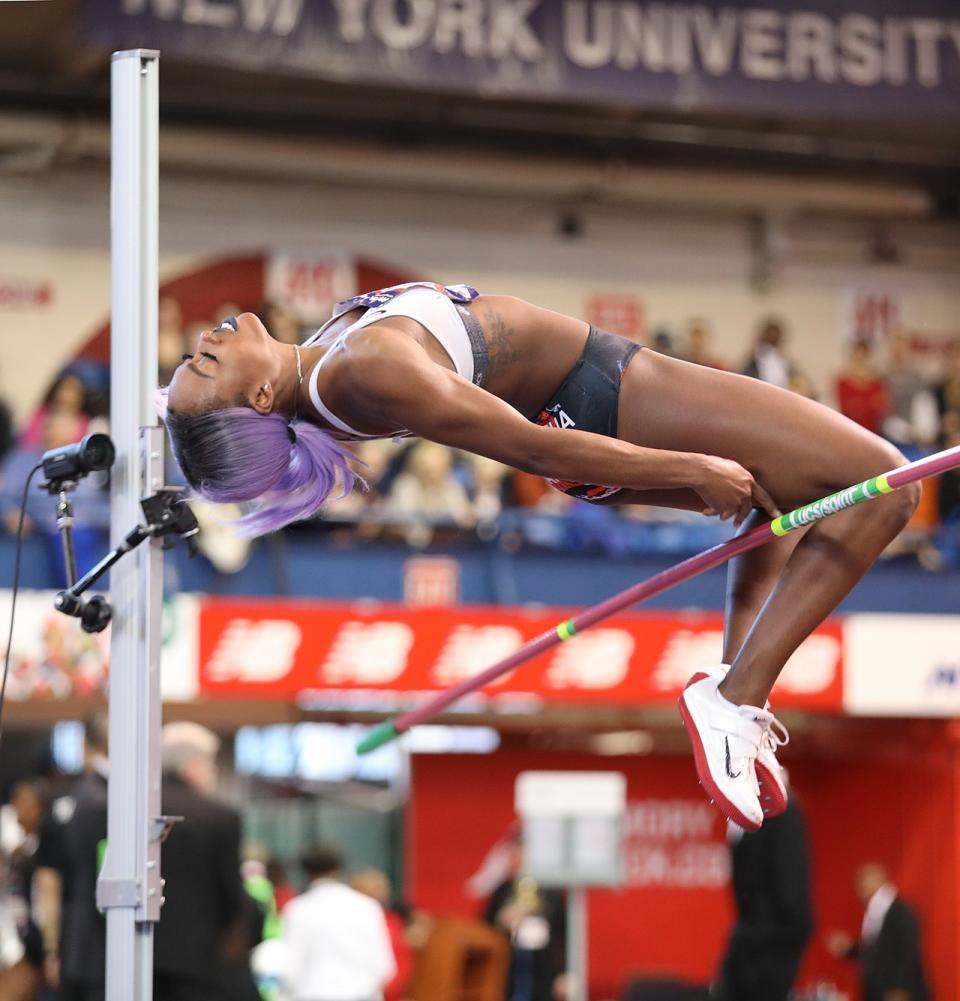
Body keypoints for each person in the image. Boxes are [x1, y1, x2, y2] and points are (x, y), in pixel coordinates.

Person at [159, 282, 919, 830]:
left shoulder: (325, 363)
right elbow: (525, 446)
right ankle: (732, 699)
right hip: (603, 401)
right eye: (203, 364)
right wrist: (688, 466)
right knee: (886, 488)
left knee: (782, 501)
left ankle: (734, 700)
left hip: (594, 399)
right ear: (258, 399)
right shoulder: (362, 369)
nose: (206, 341)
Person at [154, 721, 252, 1001]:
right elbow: (230, 891)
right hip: (198, 959)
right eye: (210, 763)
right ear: (191, 764)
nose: (213, 772)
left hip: (139, 953)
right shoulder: (219, 817)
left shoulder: (135, 811)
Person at [33, 710, 110, 1001]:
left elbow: (48, 883)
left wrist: (51, 949)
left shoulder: (62, 803)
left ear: (84, 746)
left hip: (74, 946)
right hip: (126, 944)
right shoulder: (140, 802)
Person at [713, 791, 813, 1001]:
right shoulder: (747, 812)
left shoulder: (781, 813)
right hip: (755, 939)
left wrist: (773, 934)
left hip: (768, 942)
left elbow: (790, 890)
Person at [282, 842, 395, 1001]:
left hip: (311, 994)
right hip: (360, 994)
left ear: (306, 872)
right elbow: (384, 967)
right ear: (339, 868)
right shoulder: (367, 907)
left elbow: (291, 966)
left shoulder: (297, 910)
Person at [826, 862, 930, 1001]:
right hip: (878, 993)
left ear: (882, 880)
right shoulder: (875, 912)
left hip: (900, 994)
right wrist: (850, 949)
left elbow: (907, 953)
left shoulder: (901, 911)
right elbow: (878, 954)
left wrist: (899, 989)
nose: (859, 886)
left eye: (864, 880)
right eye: (858, 881)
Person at [835, 339, 891, 436]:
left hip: (874, 432)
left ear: (869, 356)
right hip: (849, 430)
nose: (860, 358)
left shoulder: (878, 383)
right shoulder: (843, 382)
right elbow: (847, 408)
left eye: (863, 355)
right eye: (857, 355)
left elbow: (882, 409)